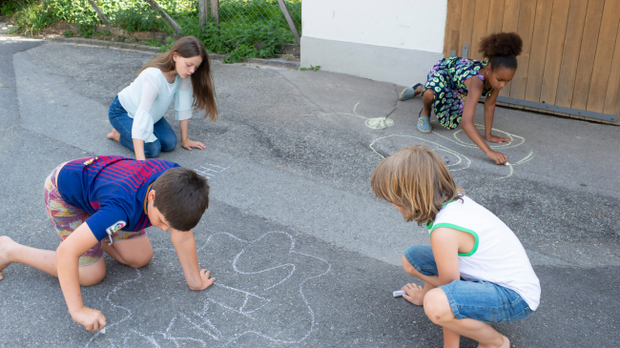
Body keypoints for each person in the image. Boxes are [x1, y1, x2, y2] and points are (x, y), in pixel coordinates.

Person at [0, 155, 215, 332]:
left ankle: (92, 228)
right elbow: (66, 252)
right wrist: (78, 310)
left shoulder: (176, 184)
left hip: (103, 193)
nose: (166, 230)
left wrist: (195, 280)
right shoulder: (120, 209)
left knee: (140, 257)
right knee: (91, 274)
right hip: (65, 194)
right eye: (163, 222)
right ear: (151, 196)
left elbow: (182, 234)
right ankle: (10, 250)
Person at [371, 145, 540, 348]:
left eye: (393, 198)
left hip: (515, 298)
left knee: (437, 304)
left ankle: (496, 343)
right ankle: (436, 299)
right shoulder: (450, 203)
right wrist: (426, 296)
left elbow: (448, 295)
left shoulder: (444, 232)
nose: (391, 204)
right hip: (493, 279)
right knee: (412, 260)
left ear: (411, 195)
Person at [399, 32, 523, 165]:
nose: (502, 85)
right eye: (500, 80)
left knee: (446, 98)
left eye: (507, 81)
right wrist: (489, 151)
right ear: (488, 70)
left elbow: (490, 105)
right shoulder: (477, 83)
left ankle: (422, 88)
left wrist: (489, 135)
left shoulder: (495, 78)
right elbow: (466, 122)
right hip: (445, 71)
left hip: (459, 84)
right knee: (431, 95)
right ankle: (425, 107)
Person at [107, 36, 218, 160]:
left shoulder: (183, 74)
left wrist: (185, 139)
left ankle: (139, 135)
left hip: (152, 116)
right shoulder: (154, 77)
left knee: (170, 143)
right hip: (123, 111)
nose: (192, 70)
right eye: (189, 65)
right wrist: (141, 163)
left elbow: (183, 104)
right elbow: (142, 114)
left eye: (195, 67)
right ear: (175, 57)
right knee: (152, 149)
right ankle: (117, 135)